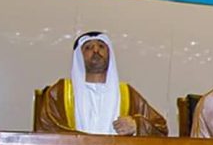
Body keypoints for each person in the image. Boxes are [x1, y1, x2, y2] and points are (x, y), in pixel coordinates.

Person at [37, 31, 167, 136]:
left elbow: (161, 128)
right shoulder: (61, 92)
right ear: (79, 57)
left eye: (101, 46)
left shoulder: (126, 93)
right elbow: (44, 130)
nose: (96, 50)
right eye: (88, 47)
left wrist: (136, 126)